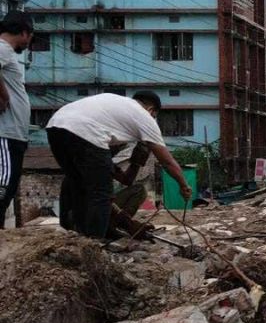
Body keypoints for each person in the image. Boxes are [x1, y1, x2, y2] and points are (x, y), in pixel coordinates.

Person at [46, 92, 191, 239]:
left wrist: (136, 161)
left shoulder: (113, 110)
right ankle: (94, 245)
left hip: (55, 126)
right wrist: (183, 185)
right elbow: (167, 161)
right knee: (100, 194)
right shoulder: (144, 116)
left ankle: (78, 239)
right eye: (154, 116)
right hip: (85, 131)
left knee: (78, 185)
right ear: (151, 110)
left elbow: (124, 179)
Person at [0, 11, 34, 226]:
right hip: (6, 132)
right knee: (3, 186)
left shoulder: (7, 52)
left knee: (9, 186)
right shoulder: (2, 47)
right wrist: (4, 96)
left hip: (15, 133)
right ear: (24, 32)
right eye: (30, 36)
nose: (29, 42)